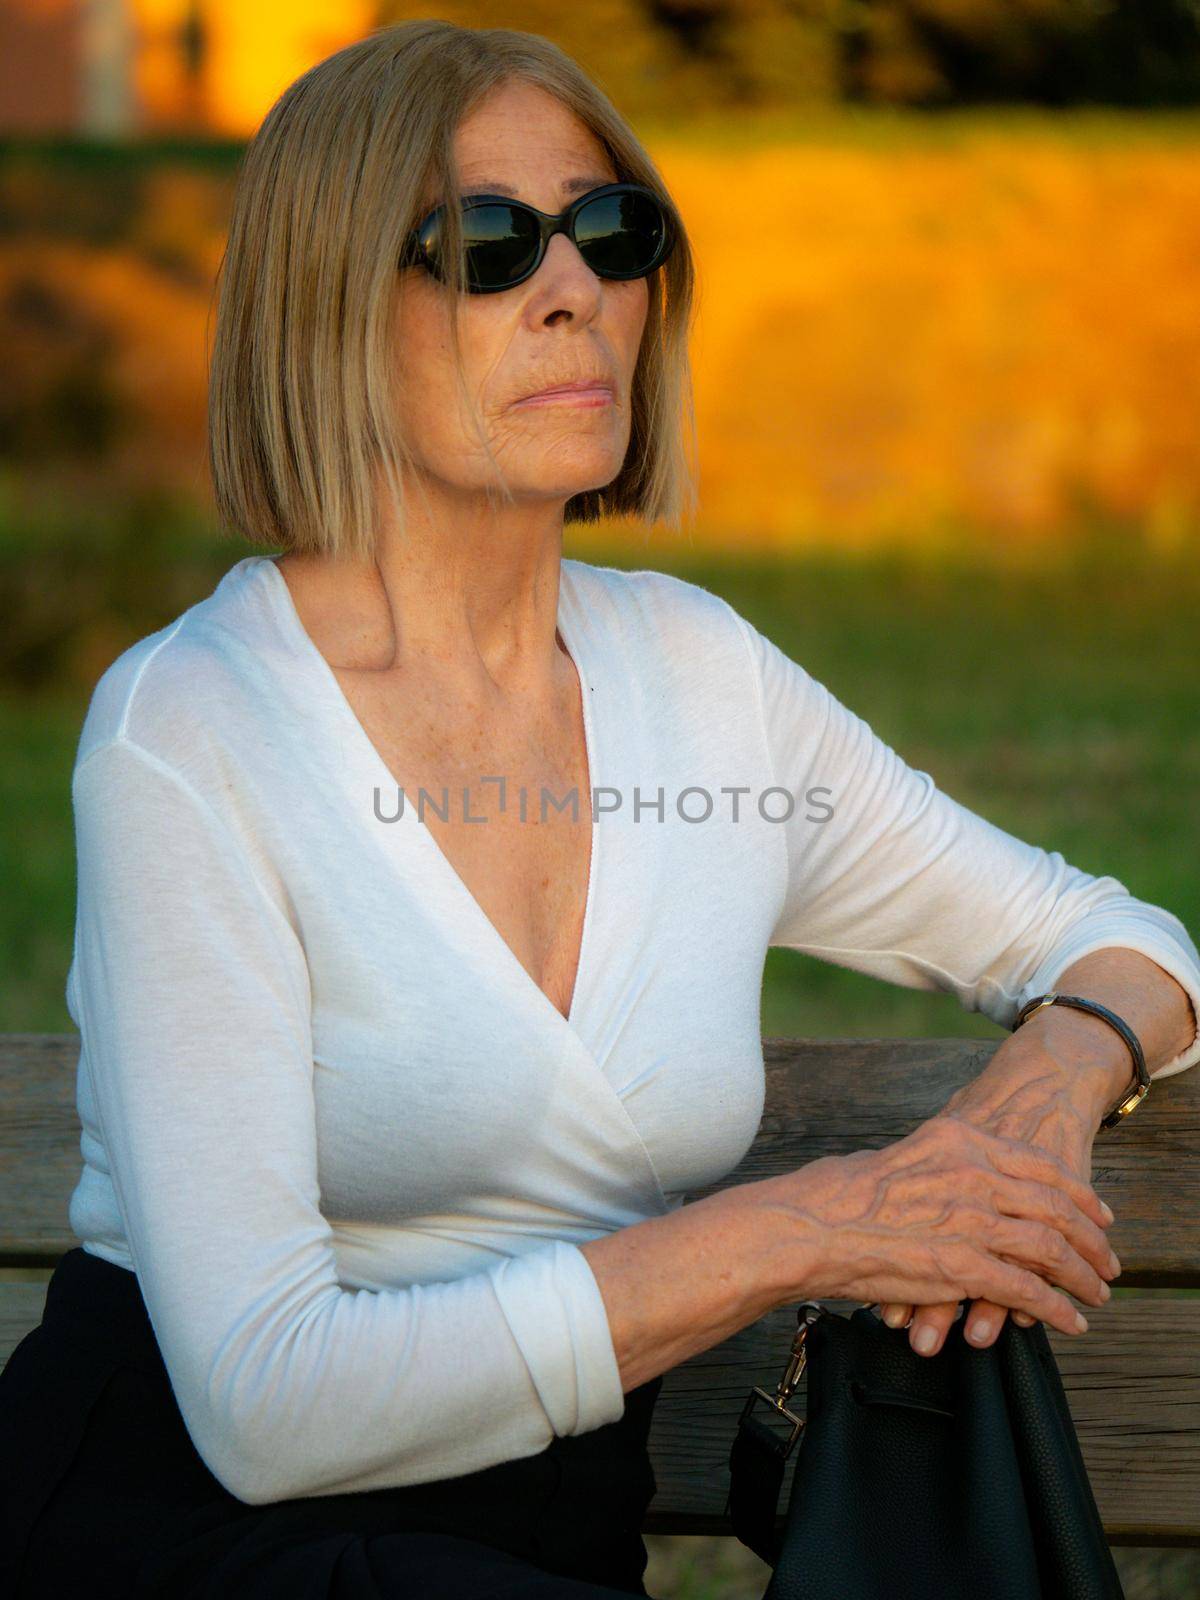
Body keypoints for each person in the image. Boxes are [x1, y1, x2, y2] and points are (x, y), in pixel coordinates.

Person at [3, 17, 1199, 1600]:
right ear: (325, 312)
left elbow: (1120, 940)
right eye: (485, 243)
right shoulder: (192, 726)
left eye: (615, 231)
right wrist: (810, 1229)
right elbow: (268, 1408)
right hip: (178, 1532)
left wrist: (1050, 1079)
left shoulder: (703, 682)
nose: (575, 291)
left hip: (543, 1539)